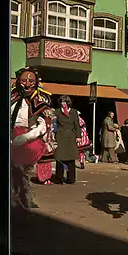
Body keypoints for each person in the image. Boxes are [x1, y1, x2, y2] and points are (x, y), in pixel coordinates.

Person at [11, 67, 54, 208]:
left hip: (26, 143)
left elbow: (43, 126)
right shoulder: (12, 97)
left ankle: (22, 202)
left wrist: (26, 137)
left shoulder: (40, 101)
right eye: (24, 80)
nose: (27, 84)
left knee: (20, 173)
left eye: (31, 81)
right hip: (11, 138)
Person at [53, 95, 82, 185]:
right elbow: (54, 125)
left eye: (65, 102)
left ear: (68, 103)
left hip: (71, 137)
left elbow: (77, 125)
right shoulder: (57, 112)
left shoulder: (74, 112)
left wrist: (78, 136)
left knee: (70, 159)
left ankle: (71, 178)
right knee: (60, 158)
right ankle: (59, 178)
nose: (63, 104)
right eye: (61, 102)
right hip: (60, 137)